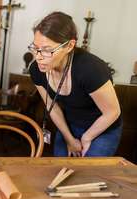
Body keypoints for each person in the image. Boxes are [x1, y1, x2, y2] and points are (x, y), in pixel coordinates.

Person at [28, 12, 122, 157]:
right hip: (69, 125)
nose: (38, 57)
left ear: (69, 45)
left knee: (87, 174)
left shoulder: (90, 69)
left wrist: (87, 137)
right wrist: (69, 139)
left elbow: (112, 112)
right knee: (61, 169)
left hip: (102, 128)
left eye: (47, 50)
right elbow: (51, 107)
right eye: (35, 48)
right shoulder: (36, 69)